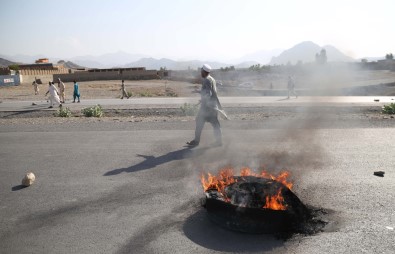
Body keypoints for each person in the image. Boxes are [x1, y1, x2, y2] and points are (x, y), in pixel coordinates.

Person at [187, 64, 222, 147]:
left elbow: (208, 93)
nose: (200, 73)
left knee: (199, 121)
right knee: (215, 124)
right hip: (213, 106)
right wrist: (199, 92)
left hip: (207, 107)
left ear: (204, 71)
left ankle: (196, 141)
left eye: (201, 71)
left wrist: (204, 99)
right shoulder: (211, 79)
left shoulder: (206, 80)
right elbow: (209, 91)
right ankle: (219, 141)